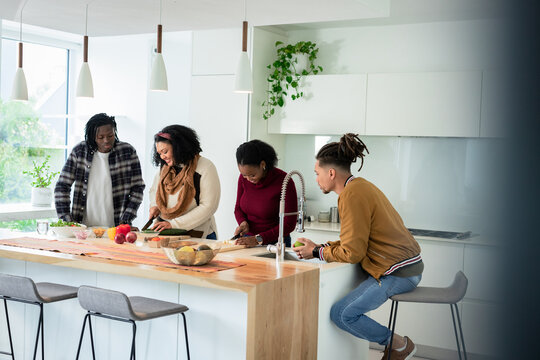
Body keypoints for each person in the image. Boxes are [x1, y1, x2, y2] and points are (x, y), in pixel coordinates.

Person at [293, 133, 423, 360]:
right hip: (405, 267)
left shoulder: (351, 195)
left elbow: (353, 253)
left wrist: (316, 252)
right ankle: (396, 347)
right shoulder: (360, 186)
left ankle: (400, 345)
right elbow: (354, 241)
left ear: (331, 173)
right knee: (344, 311)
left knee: (342, 314)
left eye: (317, 173)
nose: (316, 179)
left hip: (398, 272)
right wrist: (319, 246)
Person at [55, 113, 145, 227]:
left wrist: (127, 218)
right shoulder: (79, 152)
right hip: (82, 228)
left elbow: (138, 188)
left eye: (110, 135)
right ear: (92, 136)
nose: (106, 141)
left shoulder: (127, 151)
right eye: (100, 137)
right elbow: (62, 186)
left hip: (116, 227)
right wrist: (66, 220)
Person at [148, 125, 220, 239]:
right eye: (159, 153)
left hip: (197, 234)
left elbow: (208, 207)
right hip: (166, 232)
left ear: (178, 147)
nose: (162, 157)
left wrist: (174, 224)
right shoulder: (165, 168)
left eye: (165, 151)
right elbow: (154, 191)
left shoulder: (205, 167)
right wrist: (155, 206)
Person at [233, 140, 297, 248]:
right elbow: (238, 207)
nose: (248, 179)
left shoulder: (285, 181)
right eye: (244, 175)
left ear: (262, 165)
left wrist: (258, 239)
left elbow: (288, 224)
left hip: (276, 243)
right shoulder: (244, 179)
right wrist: (243, 222)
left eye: (252, 175)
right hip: (248, 241)